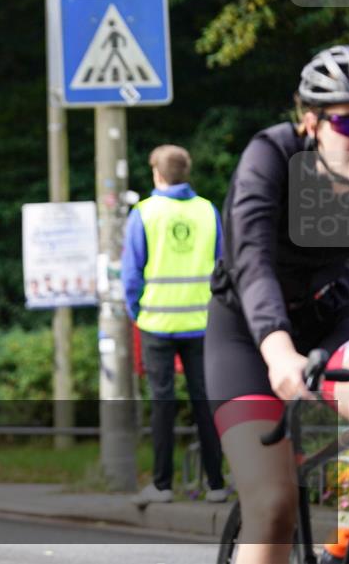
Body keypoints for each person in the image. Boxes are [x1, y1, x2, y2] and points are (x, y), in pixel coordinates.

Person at [205, 45, 349, 564]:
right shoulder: (270, 156)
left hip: (331, 319)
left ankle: (345, 532)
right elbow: (251, 259)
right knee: (272, 506)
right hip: (249, 335)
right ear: (311, 122)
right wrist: (278, 352)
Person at [122, 145, 228, 505]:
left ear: (157, 174)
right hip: (202, 323)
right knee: (206, 401)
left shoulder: (144, 213)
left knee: (162, 403)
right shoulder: (207, 211)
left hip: (157, 322)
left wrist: (138, 312)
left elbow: (131, 274)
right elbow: (224, 266)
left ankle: (162, 485)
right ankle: (216, 484)